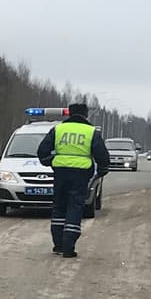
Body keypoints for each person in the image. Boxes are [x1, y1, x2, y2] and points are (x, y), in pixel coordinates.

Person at [37, 101, 111, 258]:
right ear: (85, 115)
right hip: (81, 174)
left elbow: (42, 151)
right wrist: (103, 170)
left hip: (61, 173)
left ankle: (58, 245)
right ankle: (68, 248)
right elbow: (102, 155)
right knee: (75, 207)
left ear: (70, 114)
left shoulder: (58, 129)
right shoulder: (91, 132)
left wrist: (51, 161)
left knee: (59, 207)